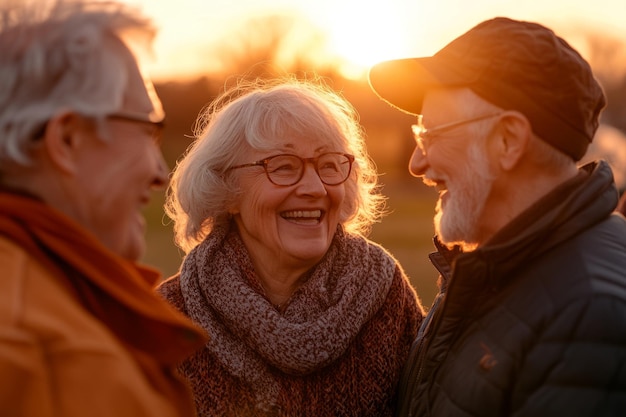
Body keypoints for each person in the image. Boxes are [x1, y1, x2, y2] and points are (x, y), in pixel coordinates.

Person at [368, 17, 626, 417]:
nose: (416, 162)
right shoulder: (490, 263)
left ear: (507, 140)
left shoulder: (589, 317)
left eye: (430, 135)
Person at [157, 77, 424, 417]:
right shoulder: (168, 320)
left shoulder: (388, 299)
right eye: (283, 167)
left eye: (328, 165)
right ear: (227, 190)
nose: (314, 187)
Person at [0, 1, 206, 416]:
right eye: (147, 130)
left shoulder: (53, 295)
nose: (160, 172)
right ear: (68, 139)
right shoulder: (38, 351)